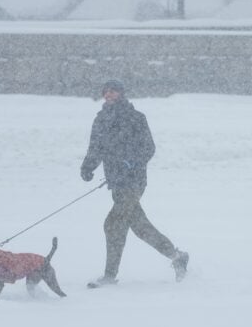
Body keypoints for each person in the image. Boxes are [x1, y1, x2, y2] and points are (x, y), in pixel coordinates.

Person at [80, 80, 188, 287]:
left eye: (113, 91)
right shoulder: (101, 119)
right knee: (139, 226)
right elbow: (96, 147)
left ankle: (110, 276)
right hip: (115, 182)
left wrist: (130, 163)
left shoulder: (136, 117)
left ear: (121, 93)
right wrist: (87, 167)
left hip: (133, 181)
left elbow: (148, 148)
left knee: (112, 224)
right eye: (106, 91)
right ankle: (177, 256)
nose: (109, 94)